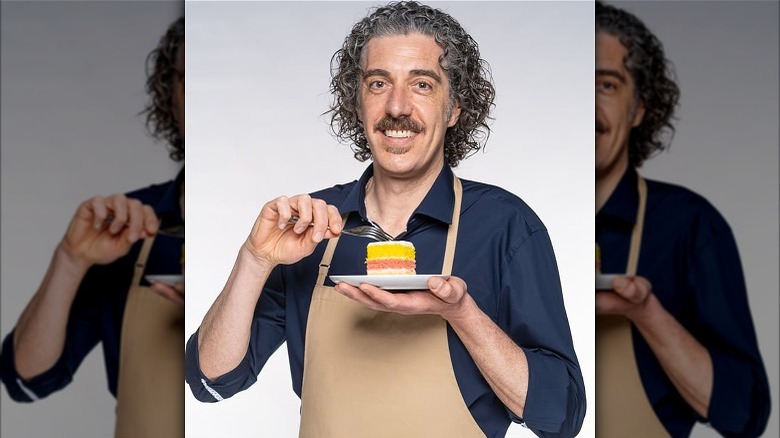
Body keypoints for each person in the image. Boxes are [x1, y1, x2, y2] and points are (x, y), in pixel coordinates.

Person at [185, 2, 585, 437]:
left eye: (422, 85)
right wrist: (255, 259)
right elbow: (213, 381)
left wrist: (463, 314)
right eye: (379, 83)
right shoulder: (311, 224)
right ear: (356, 103)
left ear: (453, 109)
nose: (397, 106)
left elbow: (559, 416)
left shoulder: (505, 226)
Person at [0, 16, 185, 438]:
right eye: (189, 81)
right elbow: (26, 380)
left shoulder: (289, 226)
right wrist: (71, 259)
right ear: (169, 97)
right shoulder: (127, 226)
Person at [595, 2, 770, 437]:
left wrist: (646, 313)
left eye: (606, 84)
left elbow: (743, 414)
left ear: (638, 109)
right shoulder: (513, 223)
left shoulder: (688, 227)